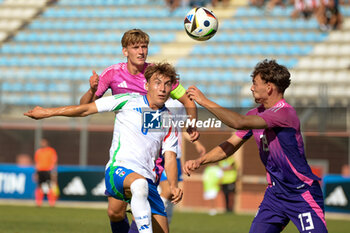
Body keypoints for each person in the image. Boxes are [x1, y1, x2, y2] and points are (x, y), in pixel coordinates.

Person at [25, 62, 183, 233]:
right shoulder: (128, 100)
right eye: (158, 83)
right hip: (119, 170)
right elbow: (85, 109)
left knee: (155, 220)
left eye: (167, 84)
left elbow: (170, 156)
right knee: (138, 186)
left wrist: (173, 185)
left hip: (148, 180)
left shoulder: (168, 119)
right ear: (146, 85)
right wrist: (47, 113)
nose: (163, 89)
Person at [184, 59, 328, 233]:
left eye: (254, 83)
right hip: (275, 195)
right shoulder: (255, 114)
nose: (251, 88)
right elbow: (230, 146)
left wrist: (205, 101)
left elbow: (238, 122)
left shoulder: (284, 113)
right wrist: (202, 160)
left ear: (269, 87)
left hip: (301, 193)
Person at [79, 28, 199, 233]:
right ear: (125, 51)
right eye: (136, 47)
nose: (141, 51)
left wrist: (192, 121)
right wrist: (92, 90)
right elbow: (84, 106)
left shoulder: (157, 75)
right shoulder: (112, 74)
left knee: (142, 200)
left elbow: (187, 100)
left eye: (144, 47)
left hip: (153, 146)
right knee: (115, 212)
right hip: (126, 144)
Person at [158, 98, 206, 224]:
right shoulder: (156, 99)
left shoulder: (178, 103)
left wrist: (196, 143)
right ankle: (152, 216)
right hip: (160, 153)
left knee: (172, 193)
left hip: (175, 153)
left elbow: (181, 126)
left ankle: (163, 225)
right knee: (168, 191)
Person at [33, 138, 58, 207]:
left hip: (48, 171)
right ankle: (39, 202)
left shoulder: (51, 151)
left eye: (43, 142)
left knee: (50, 186)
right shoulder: (38, 152)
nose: (42, 144)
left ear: (47, 143)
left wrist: (54, 171)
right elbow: (36, 163)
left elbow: (54, 162)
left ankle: (52, 203)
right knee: (40, 187)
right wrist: (36, 173)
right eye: (41, 143)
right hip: (40, 171)